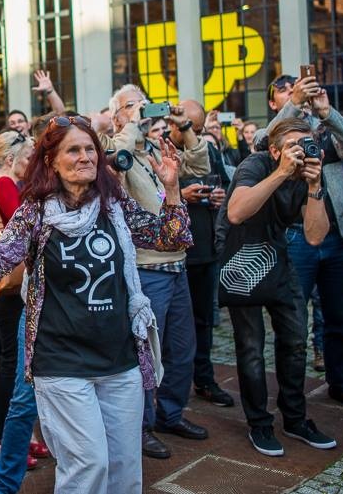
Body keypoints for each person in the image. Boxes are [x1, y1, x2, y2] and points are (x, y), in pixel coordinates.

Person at [0, 114, 191, 493]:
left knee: (124, 467)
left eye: (90, 149)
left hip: (119, 359)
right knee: (88, 465)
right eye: (74, 149)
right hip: (61, 360)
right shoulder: (35, 212)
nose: (85, 156)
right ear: (51, 159)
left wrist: (171, 188)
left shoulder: (114, 205)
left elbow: (172, 237)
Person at [104, 85, 211, 459]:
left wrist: (186, 126)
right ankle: (142, 426)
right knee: (147, 352)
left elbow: (201, 164)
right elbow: (115, 153)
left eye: (143, 102)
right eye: (131, 105)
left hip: (177, 263)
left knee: (182, 349)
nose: (141, 109)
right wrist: (132, 123)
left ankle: (171, 414)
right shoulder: (116, 155)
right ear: (116, 116)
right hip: (145, 268)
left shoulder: (153, 149)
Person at [219, 117, 336, 457]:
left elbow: (315, 236)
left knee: (296, 339)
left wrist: (315, 187)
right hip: (242, 257)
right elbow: (237, 212)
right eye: (294, 146)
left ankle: (295, 418)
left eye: (308, 144)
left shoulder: (309, 173)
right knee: (252, 346)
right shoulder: (254, 165)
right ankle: (259, 423)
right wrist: (283, 172)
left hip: (278, 257)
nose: (302, 152)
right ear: (274, 150)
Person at [266, 73, 343, 412]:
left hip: (336, 234)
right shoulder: (277, 135)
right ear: (276, 101)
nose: (296, 92)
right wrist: (294, 104)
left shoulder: (324, 131)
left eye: (297, 87)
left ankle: (340, 383)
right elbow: (263, 141)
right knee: (294, 320)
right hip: (296, 236)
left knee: (341, 319)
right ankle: (292, 398)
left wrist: (326, 111)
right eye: (285, 90)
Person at [0, 130, 40, 467]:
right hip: (9, 286)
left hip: (10, 285)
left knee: (16, 360)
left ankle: (23, 434)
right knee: (12, 361)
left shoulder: (5, 182)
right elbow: (23, 229)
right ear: (11, 159)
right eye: (29, 158)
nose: (33, 164)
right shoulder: (3, 183)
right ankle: (4, 437)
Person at [174, 100, 235, 408]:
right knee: (173, 324)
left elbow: (223, 181)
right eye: (187, 128)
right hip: (174, 252)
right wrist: (180, 197)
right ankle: (171, 388)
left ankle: (205, 379)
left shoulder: (207, 150)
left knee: (204, 320)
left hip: (205, 246)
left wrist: (221, 196)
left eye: (197, 130)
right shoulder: (159, 151)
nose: (192, 134)